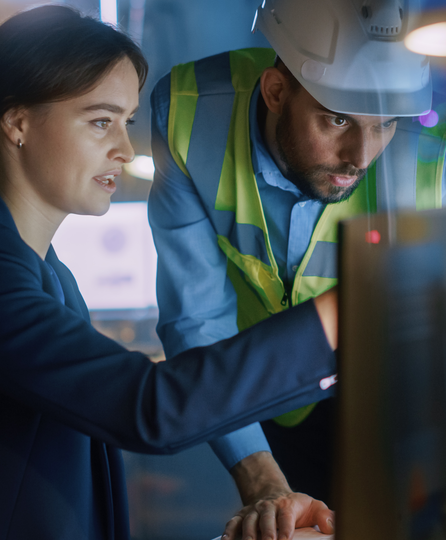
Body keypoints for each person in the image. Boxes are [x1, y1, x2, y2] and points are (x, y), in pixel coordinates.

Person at [0, 5, 341, 540]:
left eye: (127, 121)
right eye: (100, 121)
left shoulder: (40, 266)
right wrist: (337, 319)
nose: (125, 148)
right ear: (17, 122)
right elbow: (148, 407)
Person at [148, 0, 446, 528]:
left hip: (384, 393)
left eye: (385, 125)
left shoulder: (432, 149)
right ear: (276, 92)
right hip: (249, 388)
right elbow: (196, 317)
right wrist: (263, 480)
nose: (361, 154)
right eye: (337, 119)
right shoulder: (189, 112)